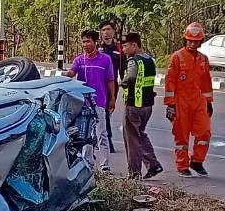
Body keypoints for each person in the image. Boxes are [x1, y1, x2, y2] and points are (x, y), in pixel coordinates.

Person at [164, 22, 213, 176]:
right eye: (190, 40)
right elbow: (170, 82)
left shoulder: (203, 59)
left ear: (200, 42)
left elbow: (206, 82)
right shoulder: (177, 57)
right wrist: (170, 105)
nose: (192, 43)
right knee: (181, 135)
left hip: (198, 101)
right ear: (185, 40)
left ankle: (197, 161)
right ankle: (182, 165)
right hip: (180, 102)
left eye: (196, 41)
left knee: (204, 133)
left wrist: (208, 102)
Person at [67, 29, 115, 172]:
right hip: (82, 104)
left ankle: (105, 166)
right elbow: (72, 72)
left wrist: (112, 99)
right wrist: (65, 75)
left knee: (102, 134)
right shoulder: (79, 60)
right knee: (85, 135)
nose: (85, 44)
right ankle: (88, 164)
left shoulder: (105, 60)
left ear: (96, 42)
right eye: (83, 41)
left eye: (88, 41)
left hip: (99, 103)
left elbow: (110, 80)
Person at [120, 31, 162, 179]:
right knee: (140, 135)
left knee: (131, 139)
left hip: (134, 105)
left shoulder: (133, 61)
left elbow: (131, 76)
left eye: (125, 46)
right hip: (147, 106)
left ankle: (134, 173)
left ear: (134, 45)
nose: (123, 50)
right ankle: (153, 165)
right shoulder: (150, 60)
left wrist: (122, 83)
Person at [99, 22, 125, 156]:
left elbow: (123, 68)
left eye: (108, 29)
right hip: (99, 84)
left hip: (113, 84)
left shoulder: (119, 49)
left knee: (107, 112)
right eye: (103, 30)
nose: (106, 32)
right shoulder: (98, 49)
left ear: (113, 31)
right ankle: (107, 140)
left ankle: (103, 137)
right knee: (102, 113)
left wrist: (123, 84)